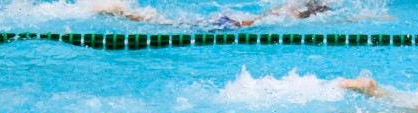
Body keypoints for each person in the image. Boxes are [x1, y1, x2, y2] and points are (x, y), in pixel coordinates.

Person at [98, 1, 331, 28]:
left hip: (229, 21)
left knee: (169, 23)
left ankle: (124, 13)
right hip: (228, 25)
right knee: (167, 25)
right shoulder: (287, 17)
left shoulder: (283, 12)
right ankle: (123, 13)